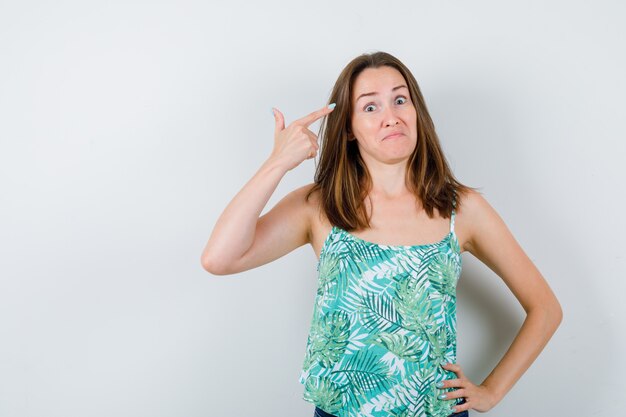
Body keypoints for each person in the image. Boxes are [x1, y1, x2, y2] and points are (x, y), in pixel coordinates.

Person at [200, 51, 563, 417]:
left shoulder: (461, 208)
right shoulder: (319, 206)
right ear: (348, 127)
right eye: (370, 107)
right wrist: (276, 163)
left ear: (416, 111)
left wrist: (491, 392)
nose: (391, 117)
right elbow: (219, 258)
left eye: (400, 100)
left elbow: (546, 309)